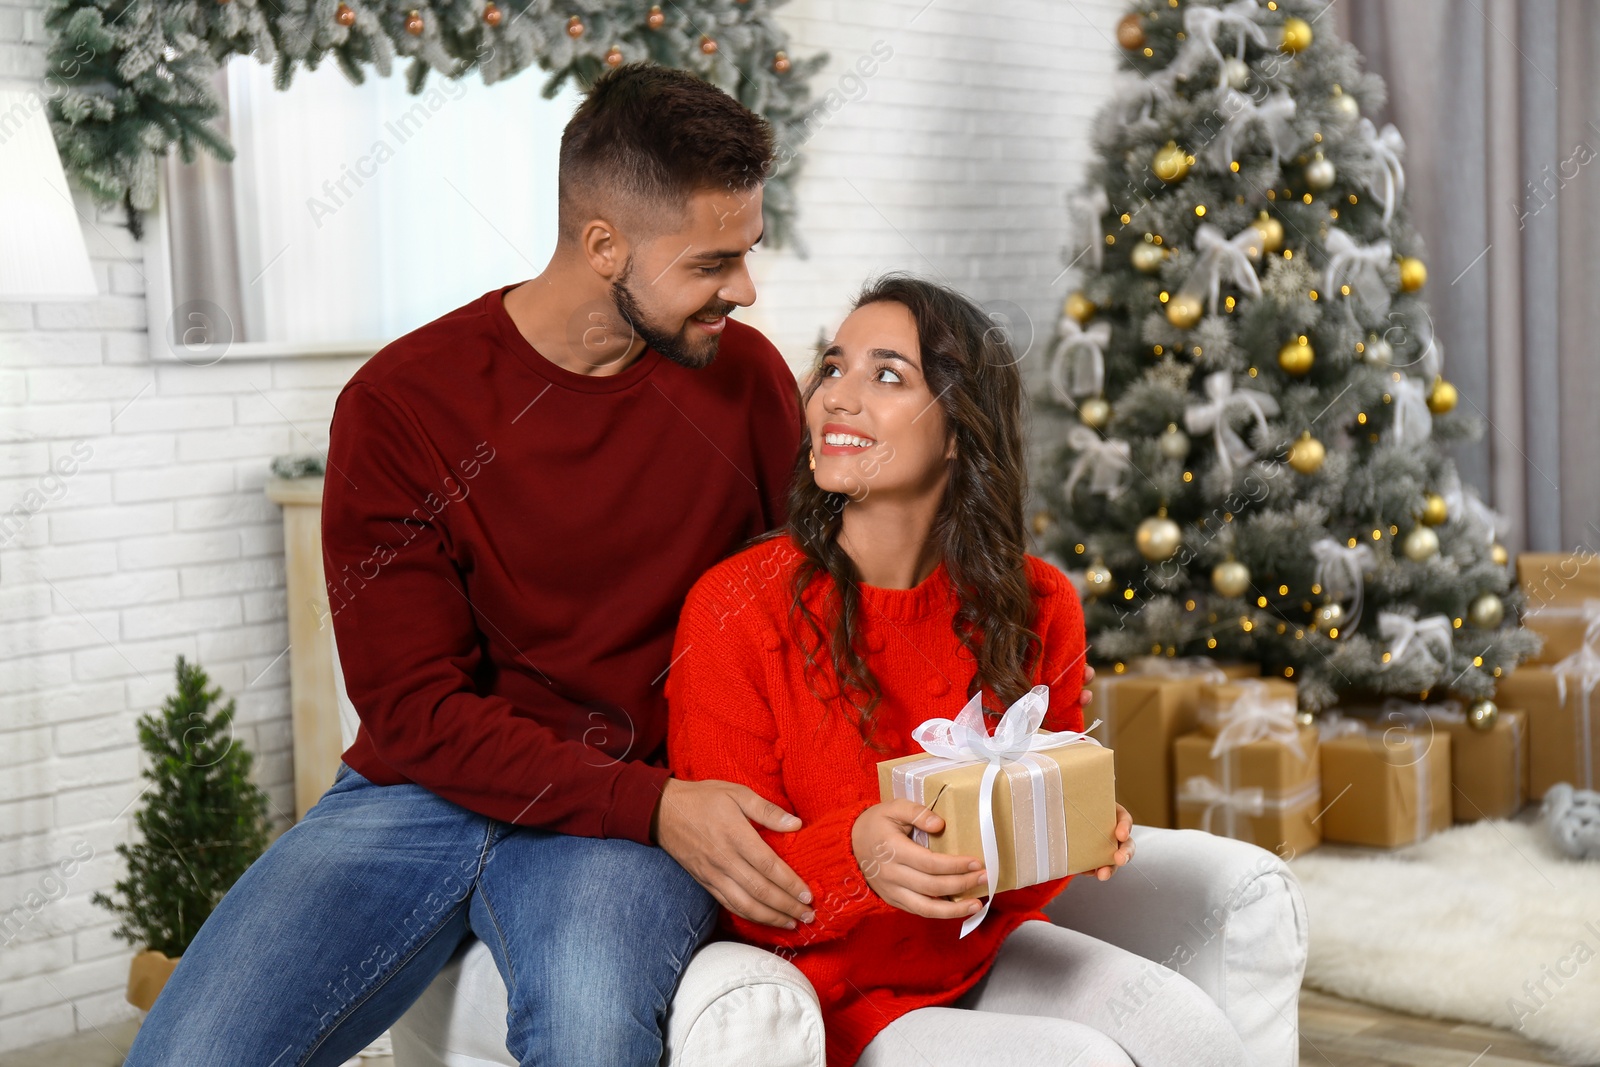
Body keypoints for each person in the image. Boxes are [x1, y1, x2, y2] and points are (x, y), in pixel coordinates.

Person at [126, 63, 821, 1067]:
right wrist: (655, 804)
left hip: (621, 814)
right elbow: (412, 708)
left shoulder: (745, 383)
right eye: (715, 262)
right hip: (425, 792)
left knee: (591, 1040)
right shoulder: (402, 403)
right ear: (602, 245)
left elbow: (810, 613)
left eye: (746, 253)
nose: (745, 290)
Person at [665, 274, 1252, 1067]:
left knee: (1193, 1033)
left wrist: (1070, 827)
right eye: (833, 367)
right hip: (840, 993)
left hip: (987, 952)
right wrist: (861, 858)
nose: (838, 396)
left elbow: (1023, 883)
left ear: (955, 433)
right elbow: (737, 889)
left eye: (886, 375)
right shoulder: (736, 607)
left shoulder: (1037, 601)